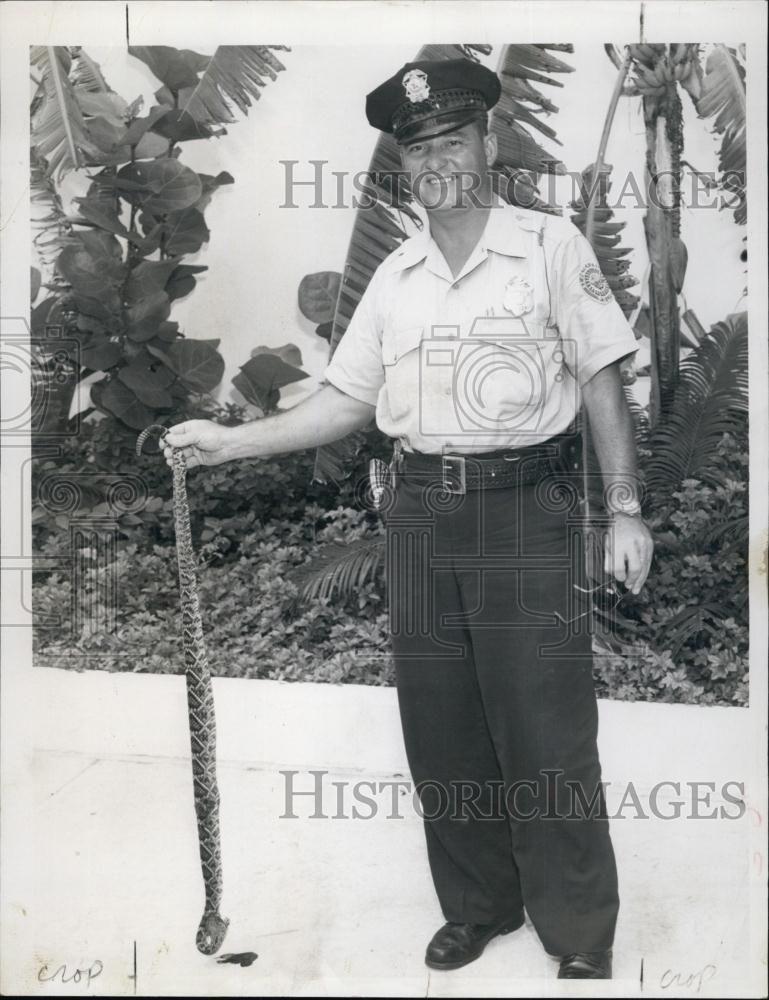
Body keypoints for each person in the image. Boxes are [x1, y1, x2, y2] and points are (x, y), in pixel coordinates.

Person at [163, 58, 654, 981]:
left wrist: (623, 509)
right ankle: (477, 907)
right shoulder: (395, 277)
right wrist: (226, 445)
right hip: (423, 516)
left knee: (546, 728)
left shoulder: (550, 249)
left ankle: (579, 926)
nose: (436, 161)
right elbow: (343, 403)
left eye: (452, 140)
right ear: (404, 163)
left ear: (488, 144)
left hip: (527, 511)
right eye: (418, 147)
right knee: (443, 728)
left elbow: (599, 377)